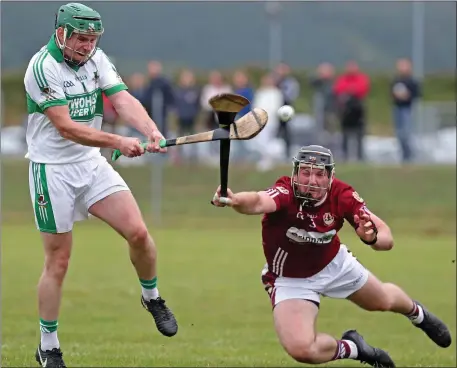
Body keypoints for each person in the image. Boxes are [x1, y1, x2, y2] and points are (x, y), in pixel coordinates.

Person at [23, 3, 178, 367]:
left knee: (139, 233)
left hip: (90, 165)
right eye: (80, 38)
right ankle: (48, 346)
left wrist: (150, 130)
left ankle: (151, 296)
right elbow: (66, 127)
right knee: (58, 262)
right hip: (52, 171)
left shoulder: (97, 59)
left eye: (92, 39)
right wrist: (118, 142)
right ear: (61, 33)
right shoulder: (42, 67)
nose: (86, 46)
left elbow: (121, 99)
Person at [211, 145, 451, 367]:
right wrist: (234, 200)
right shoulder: (285, 191)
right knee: (302, 350)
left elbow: (386, 238)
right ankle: (355, 348)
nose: (312, 181)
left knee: (383, 301)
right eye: (305, 172)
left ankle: (417, 314)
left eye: (319, 174)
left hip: (335, 264)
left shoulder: (342, 195)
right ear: (295, 174)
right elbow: (256, 201)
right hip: (291, 279)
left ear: (329, 177)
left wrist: (371, 238)